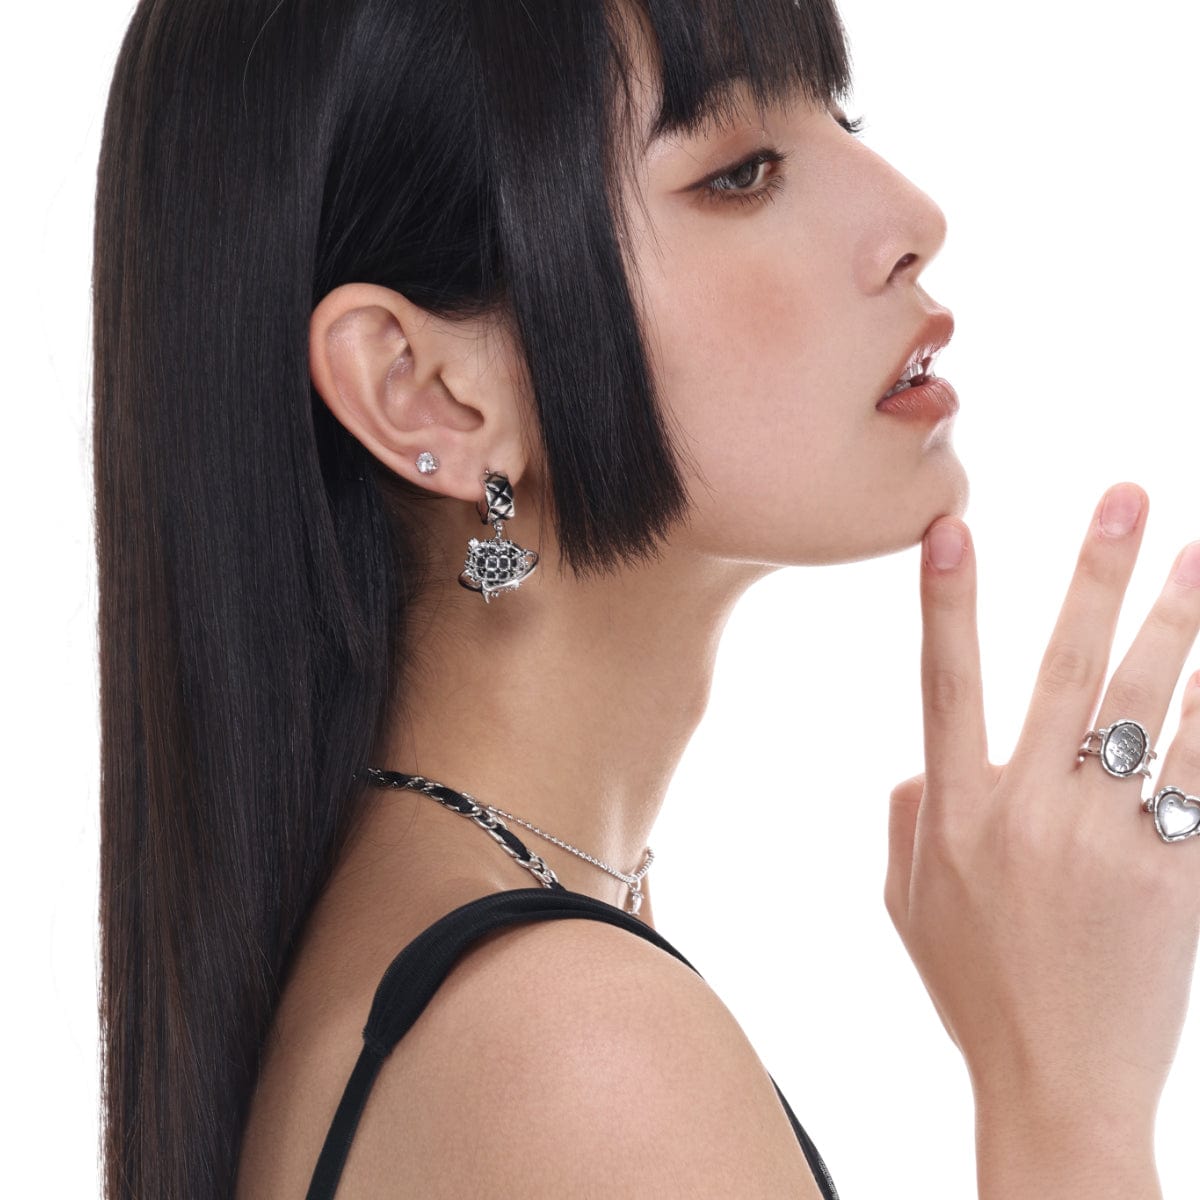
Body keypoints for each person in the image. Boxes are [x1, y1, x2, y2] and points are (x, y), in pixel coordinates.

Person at [90, 0, 1200, 1197]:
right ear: (426, 392)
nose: (912, 219)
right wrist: (1065, 1091)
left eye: (840, 117)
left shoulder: (468, 961)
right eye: (741, 171)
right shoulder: (570, 1046)